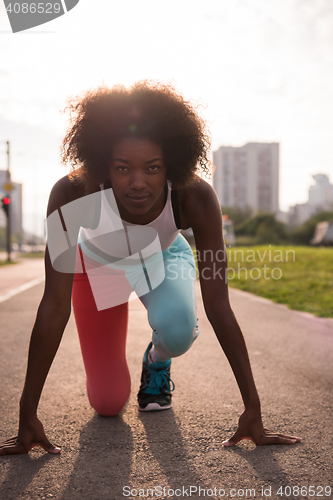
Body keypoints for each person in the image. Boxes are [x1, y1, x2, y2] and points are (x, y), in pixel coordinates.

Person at [0, 81, 301, 456]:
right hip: (97, 270)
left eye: (153, 168)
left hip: (161, 257)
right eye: (123, 168)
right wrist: (26, 413)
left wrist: (253, 409)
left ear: (171, 165)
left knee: (176, 330)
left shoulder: (194, 196)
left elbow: (218, 306)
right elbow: (54, 305)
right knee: (108, 403)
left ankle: (156, 360)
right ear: (103, 166)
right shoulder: (73, 193)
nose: (138, 182)